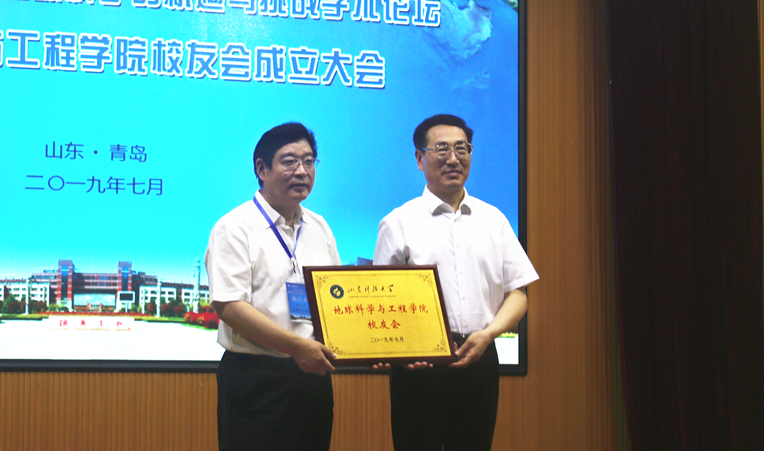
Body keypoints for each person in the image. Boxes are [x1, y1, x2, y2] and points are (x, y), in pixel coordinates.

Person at [374, 114, 539, 451]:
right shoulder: (398, 222)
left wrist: (489, 335)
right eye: (442, 149)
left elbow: (518, 294)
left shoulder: (493, 220)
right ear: (420, 158)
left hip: (481, 357)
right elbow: (382, 300)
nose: (453, 159)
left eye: (462, 149)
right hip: (420, 365)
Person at [205, 122, 340, 451]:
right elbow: (230, 307)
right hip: (256, 379)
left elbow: (335, 297)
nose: (302, 171)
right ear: (261, 169)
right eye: (289, 161)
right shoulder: (234, 227)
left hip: (312, 378)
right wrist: (295, 347)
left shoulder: (320, 227)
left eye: (309, 161)